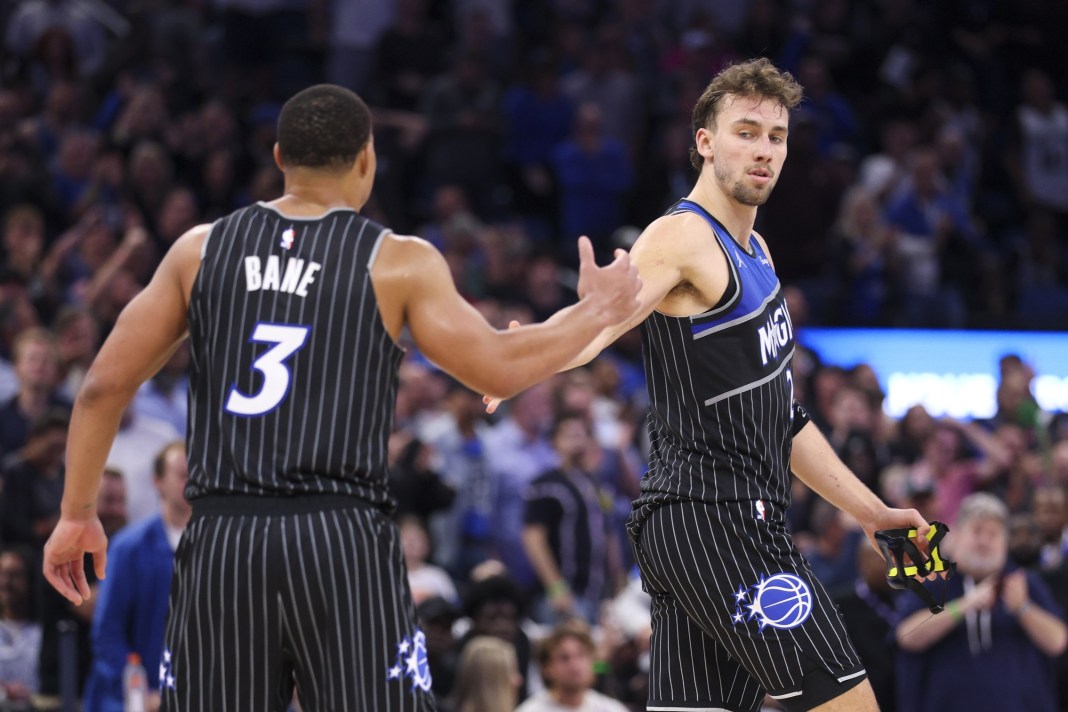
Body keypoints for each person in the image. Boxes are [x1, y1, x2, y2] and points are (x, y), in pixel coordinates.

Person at [40, 84, 640, 712]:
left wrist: (77, 513)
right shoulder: (396, 261)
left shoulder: (200, 250)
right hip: (340, 536)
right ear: (366, 160)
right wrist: (593, 311)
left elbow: (103, 386)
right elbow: (498, 368)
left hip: (225, 537)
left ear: (279, 158)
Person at [490, 57, 933, 712]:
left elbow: (780, 419)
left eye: (775, 137)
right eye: (745, 131)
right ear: (704, 141)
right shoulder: (682, 235)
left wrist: (870, 512)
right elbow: (602, 325)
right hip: (716, 520)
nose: (763, 151)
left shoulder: (758, 252)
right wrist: (521, 355)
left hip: (703, 526)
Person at [895, 493, 1066, 712]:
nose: (984, 541)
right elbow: (906, 636)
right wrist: (964, 605)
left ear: (1005, 542)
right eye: (976, 531)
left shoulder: (1023, 583)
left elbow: (1057, 641)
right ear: (957, 535)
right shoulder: (934, 582)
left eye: (993, 534)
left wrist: (1023, 609)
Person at [83, 441, 190, 712]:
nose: (192, 482)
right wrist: (142, 692)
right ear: (158, 482)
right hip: (136, 698)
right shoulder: (129, 547)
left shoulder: (220, 545)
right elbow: (107, 631)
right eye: (182, 474)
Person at [516, 621, 629, 712]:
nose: (574, 664)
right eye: (564, 657)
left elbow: (604, 667)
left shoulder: (612, 708)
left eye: (581, 655)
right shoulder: (530, 709)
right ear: (546, 668)